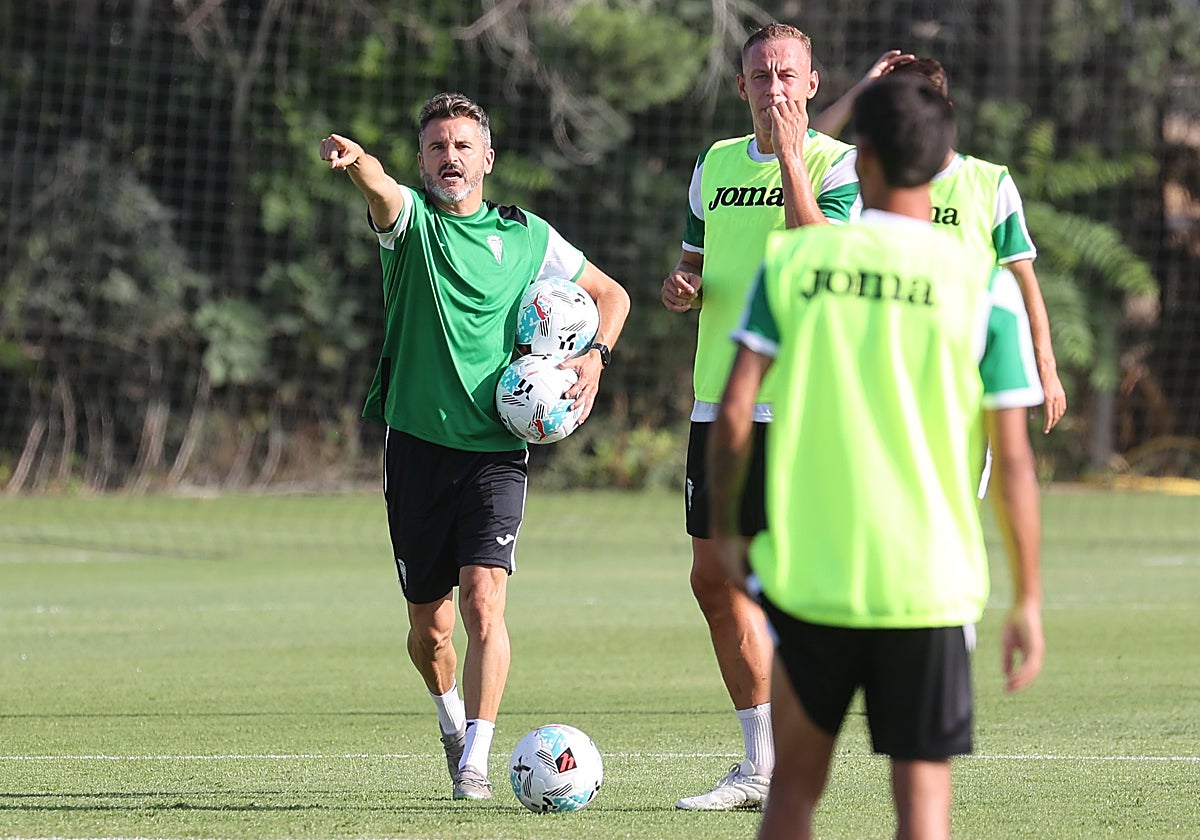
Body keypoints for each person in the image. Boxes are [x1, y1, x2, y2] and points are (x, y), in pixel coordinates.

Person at [708, 74, 1045, 840]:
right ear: (945, 160)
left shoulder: (795, 266)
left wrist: (728, 531)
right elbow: (1015, 464)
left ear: (858, 158)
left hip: (812, 577)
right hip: (929, 587)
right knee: (923, 813)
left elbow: (732, 414)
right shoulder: (982, 288)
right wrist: (1027, 597)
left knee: (792, 795)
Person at [319, 93, 629, 801]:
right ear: (422, 161)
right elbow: (381, 189)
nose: (450, 157)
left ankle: (476, 763)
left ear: (487, 158)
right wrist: (359, 162)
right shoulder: (411, 225)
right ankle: (451, 722)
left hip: (497, 448)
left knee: (485, 601)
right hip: (417, 449)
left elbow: (612, 295)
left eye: (462, 145)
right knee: (430, 631)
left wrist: (595, 356)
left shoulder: (526, 235)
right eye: (436, 147)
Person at [660, 22, 860, 811]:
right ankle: (759, 765)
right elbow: (694, 265)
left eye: (787, 75)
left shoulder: (839, 165)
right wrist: (683, 288)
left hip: (801, 402)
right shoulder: (712, 164)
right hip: (719, 402)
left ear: (811, 84)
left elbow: (823, 254)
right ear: (741, 85)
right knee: (713, 579)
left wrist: (789, 160)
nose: (773, 87)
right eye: (760, 75)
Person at [812, 55, 1067, 435]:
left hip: (957, 383)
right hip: (875, 376)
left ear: (944, 112)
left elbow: (1023, 278)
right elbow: (810, 145)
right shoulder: (864, 173)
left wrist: (1045, 365)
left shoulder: (988, 182)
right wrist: (863, 89)